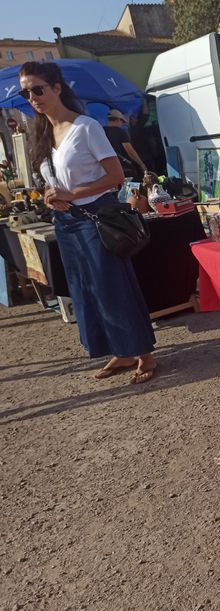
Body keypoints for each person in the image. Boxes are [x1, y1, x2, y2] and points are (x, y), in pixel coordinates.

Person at [18, 61, 157, 383]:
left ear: (56, 88)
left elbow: (116, 176)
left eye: (38, 89)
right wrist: (51, 195)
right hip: (65, 221)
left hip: (95, 217)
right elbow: (55, 181)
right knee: (87, 291)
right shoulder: (42, 133)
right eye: (27, 92)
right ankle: (121, 352)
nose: (32, 97)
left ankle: (144, 354)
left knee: (114, 287)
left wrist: (71, 192)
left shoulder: (86, 127)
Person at [103, 108, 147, 180]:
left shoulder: (101, 131)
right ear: (118, 120)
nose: (122, 124)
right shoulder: (120, 132)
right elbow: (129, 150)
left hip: (109, 170)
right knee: (132, 190)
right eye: (122, 121)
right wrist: (141, 164)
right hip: (125, 167)